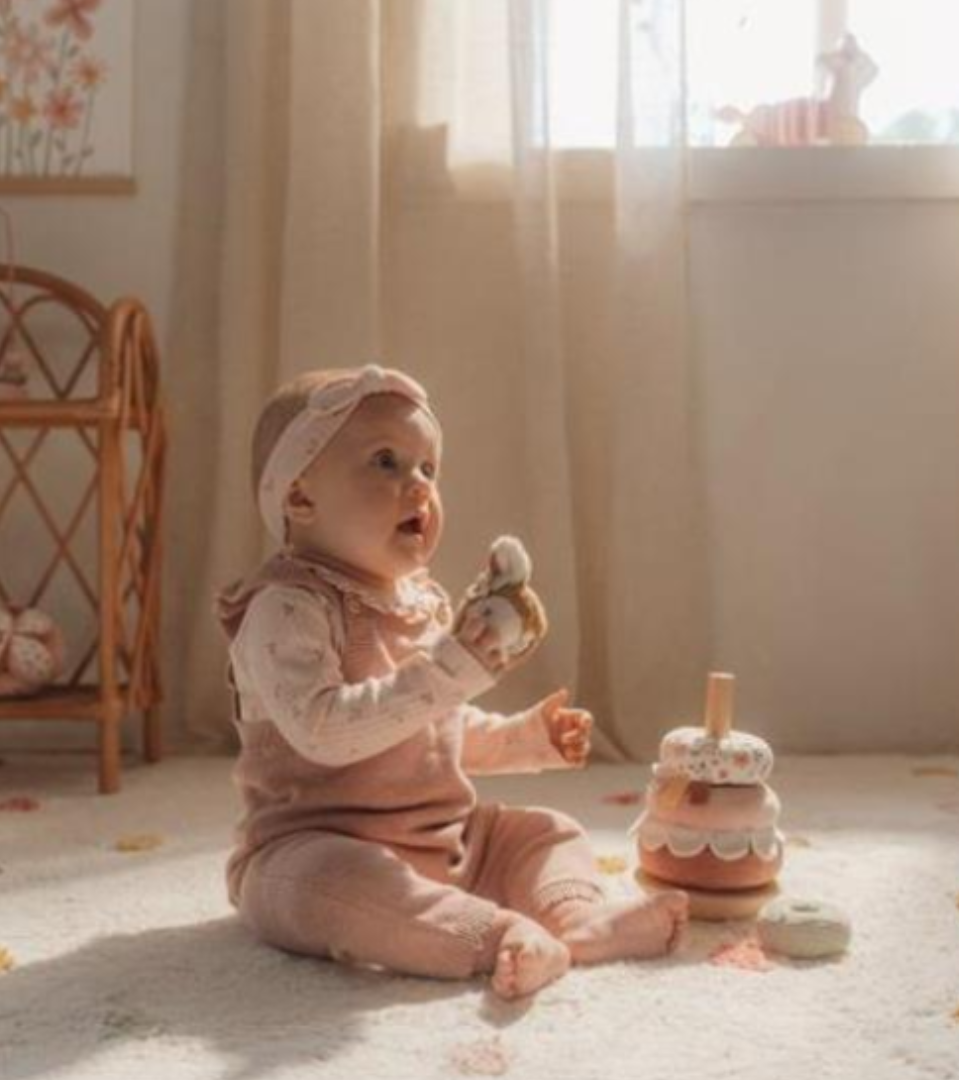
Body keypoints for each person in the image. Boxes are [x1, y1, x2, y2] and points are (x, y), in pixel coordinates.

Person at [216, 364, 688, 999]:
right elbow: (324, 731)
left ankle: (577, 919)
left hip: (447, 839)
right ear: (300, 498)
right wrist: (448, 668)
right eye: (386, 462)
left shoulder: (422, 603)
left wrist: (524, 741)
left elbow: (428, 729)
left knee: (544, 831)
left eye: (427, 469)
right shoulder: (285, 610)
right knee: (325, 888)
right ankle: (494, 937)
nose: (418, 485)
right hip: (312, 844)